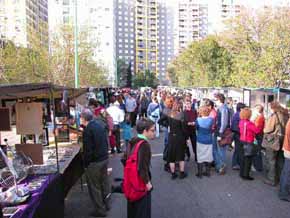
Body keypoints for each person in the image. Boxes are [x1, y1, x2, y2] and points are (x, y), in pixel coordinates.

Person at [81, 108, 110, 217]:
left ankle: (100, 210)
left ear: (83, 119)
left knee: (95, 187)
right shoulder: (98, 125)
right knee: (104, 182)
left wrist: (86, 163)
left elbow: (88, 150)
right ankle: (107, 203)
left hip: (95, 161)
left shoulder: (88, 130)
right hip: (104, 158)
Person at [125, 118, 155, 218]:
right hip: (140, 185)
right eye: (152, 130)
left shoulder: (132, 140)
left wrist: (131, 170)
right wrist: (148, 183)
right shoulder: (144, 145)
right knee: (143, 211)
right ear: (145, 131)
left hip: (131, 183)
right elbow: (142, 168)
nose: (154, 133)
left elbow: (124, 159)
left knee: (133, 211)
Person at [263, 101, 289, 186]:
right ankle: (280, 179)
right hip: (283, 139)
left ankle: (271, 180)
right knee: (280, 160)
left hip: (274, 140)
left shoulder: (274, 116)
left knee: (271, 160)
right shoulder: (286, 115)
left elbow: (267, 129)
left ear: (272, 108)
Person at [166, 100, 187, 179]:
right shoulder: (181, 115)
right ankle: (181, 173)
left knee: (172, 157)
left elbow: (161, 121)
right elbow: (184, 128)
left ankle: (173, 174)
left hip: (171, 136)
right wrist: (186, 137)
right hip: (180, 137)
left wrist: (167, 126)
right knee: (181, 156)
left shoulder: (169, 114)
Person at [239, 107, 260, 180]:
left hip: (241, 141)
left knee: (243, 158)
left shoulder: (241, 122)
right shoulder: (249, 123)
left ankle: (242, 173)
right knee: (248, 159)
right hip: (248, 142)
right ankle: (246, 175)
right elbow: (257, 131)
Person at [195, 106, 214, 178]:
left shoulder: (198, 120)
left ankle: (199, 173)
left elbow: (196, 128)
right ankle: (207, 172)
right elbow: (212, 128)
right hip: (209, 140)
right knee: (208, 156)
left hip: (200, 139)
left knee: (200, 156)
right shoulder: (211, 120)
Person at [214, 93, 230, 175]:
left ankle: (221, 167)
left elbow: (223, 123)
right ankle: (220, 166)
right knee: (219, 150)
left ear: (219, 100)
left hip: (221, 132)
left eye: (215, 99)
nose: (214, 101)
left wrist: (220, 134)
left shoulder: (223, 109)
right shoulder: (222, 108)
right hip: (220, 131)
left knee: (221, 150)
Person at [231, 103, 246, 170]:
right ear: (241, 109)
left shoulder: (235, 114)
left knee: (237, 149)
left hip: (235, 133)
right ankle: (236, 164)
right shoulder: (239, 115)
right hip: (238, 133)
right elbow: (238, 126)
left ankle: (235, 163)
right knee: (238, 150)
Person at [279, 118, 290, 202]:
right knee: (287, 172)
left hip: (287, 149)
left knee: (286, 172)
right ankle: (284, 193)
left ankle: (284, 191)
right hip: (288, 150)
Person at [251, 104, 265, 171]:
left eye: (255, 109)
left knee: (257, 152)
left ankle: (258, 167)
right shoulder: (260, 117)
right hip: (259, 135)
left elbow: (257, 129)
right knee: (257, 151)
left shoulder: (259, 118)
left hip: (257, 136)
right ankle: (258, 166)